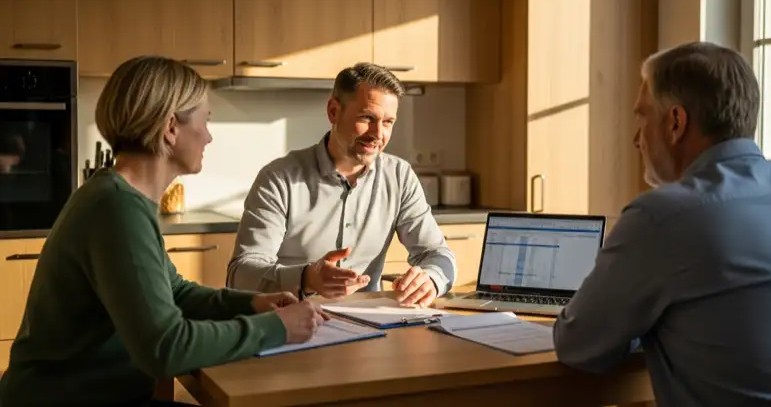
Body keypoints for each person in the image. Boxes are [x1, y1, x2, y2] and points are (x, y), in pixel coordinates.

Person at [0, 56, 328, 407]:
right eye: (205, 120)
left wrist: (251, 303)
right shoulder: (115, 208)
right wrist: (277, 328)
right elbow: (166, 347)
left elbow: (173, 292)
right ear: (171, 127)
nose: (209, 136)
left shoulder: (119, 197)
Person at [553, 41, 771, 406]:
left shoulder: (660, 218)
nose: (637, 139)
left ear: (675, 123)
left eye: (642, 117)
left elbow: (577, 345)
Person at [227, 62, 457, 308]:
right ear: (333, 111)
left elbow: (439, 255)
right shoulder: (279, 178)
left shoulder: (399, 176)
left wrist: (431, 280)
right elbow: (240, 275)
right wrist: (307, 278)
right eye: (367, 118)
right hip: (292, 324)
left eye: (388, 122)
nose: (378, 134)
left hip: (371, 326)